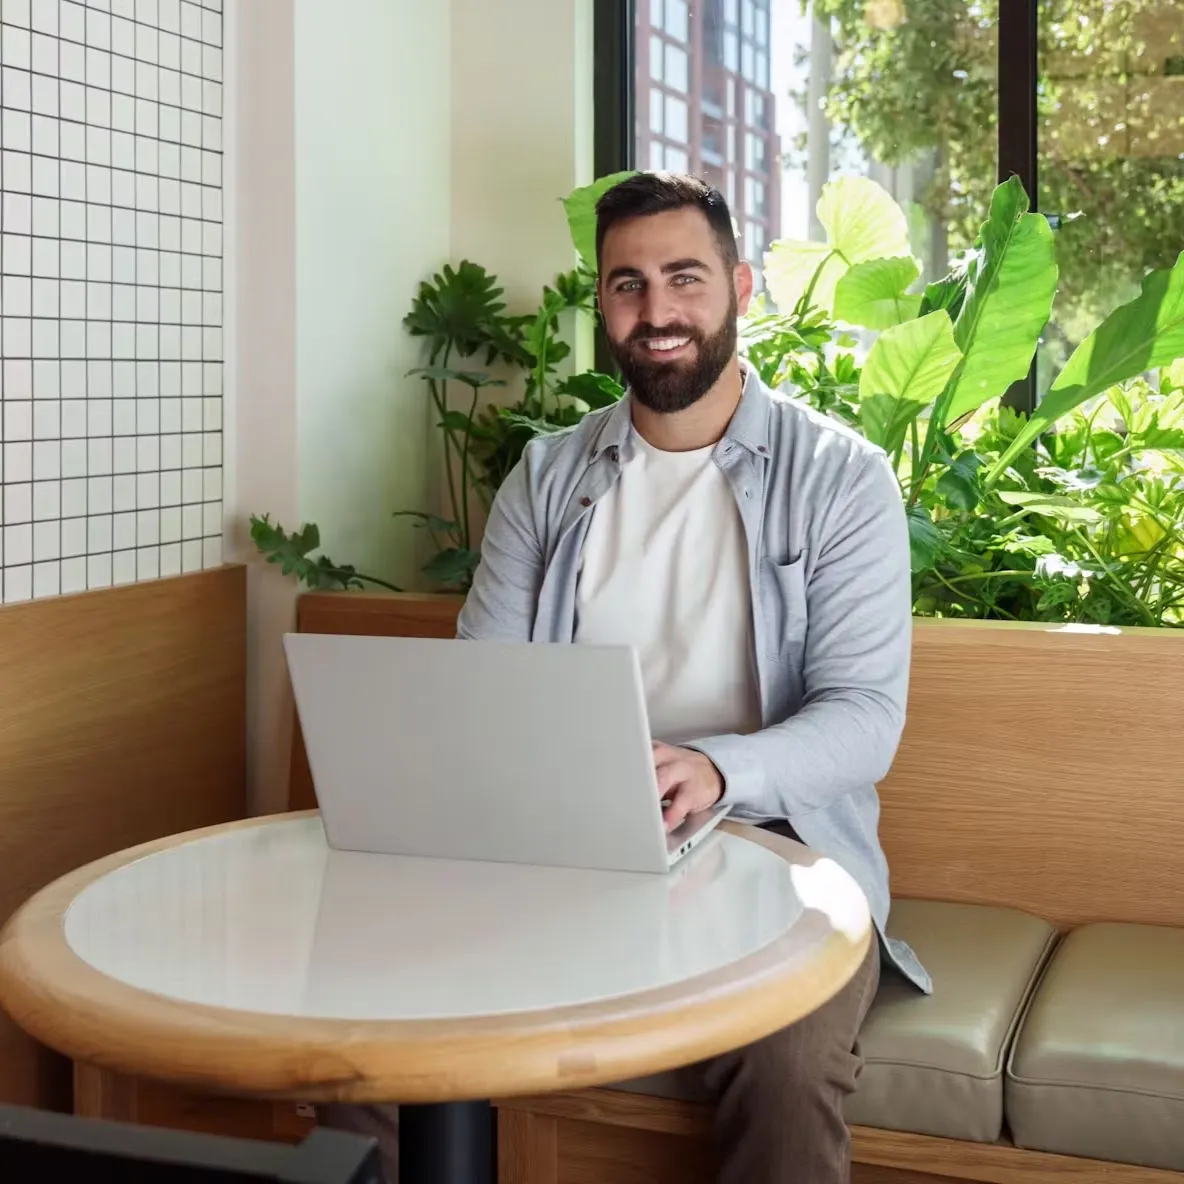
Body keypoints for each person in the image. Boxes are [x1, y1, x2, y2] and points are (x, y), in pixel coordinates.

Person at [324, 171, 929, 1182]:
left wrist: (715, 769)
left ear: (737, 285)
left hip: (779, 854)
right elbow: (487, 684)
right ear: (600, 301)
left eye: (683, 279)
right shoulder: (548, 475)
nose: (655, 312)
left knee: (784, 1066)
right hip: (567, 850)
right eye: (625, 285)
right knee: (363, 1039)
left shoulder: (840, 476)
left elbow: (864, 718)